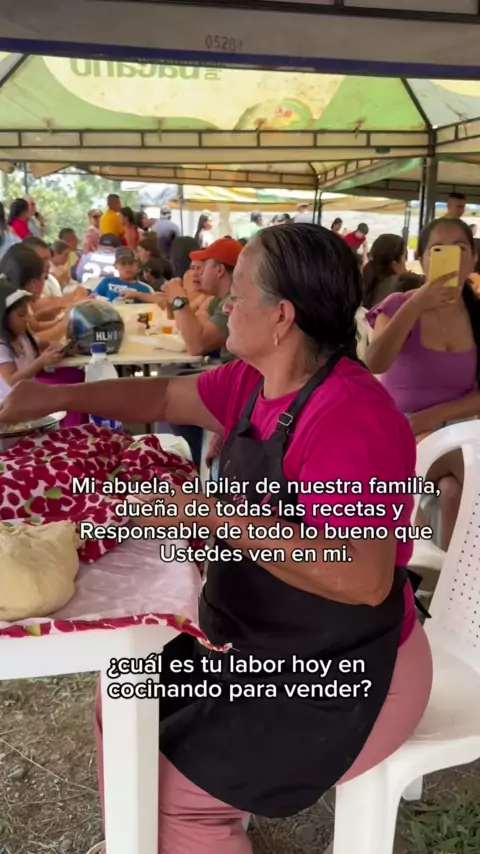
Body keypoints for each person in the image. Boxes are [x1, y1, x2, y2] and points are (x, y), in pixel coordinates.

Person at [0, 223, 432, 854]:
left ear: (281, 316)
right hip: (255, 636)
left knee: (179, 792)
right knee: (122, 699)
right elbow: (163, 393)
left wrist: (210, 515)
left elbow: (361, 577)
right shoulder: (252, 381)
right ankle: (137, 839)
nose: (226, 303)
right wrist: (49, 396)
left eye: (240, 291)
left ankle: (176, 830)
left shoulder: (351, 415)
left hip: (348, 669)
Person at [366, 218, 480, 550]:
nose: (452, 258)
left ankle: (446, 577)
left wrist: (436, 415)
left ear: (474, 258)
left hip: (457, 430)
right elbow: (375, 362)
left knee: (453, 490)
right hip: (401, 430)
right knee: (468, 468)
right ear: (422, 257)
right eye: (439, 249)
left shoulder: (476, 314)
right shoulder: (398, 305)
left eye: (461, 249)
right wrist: (416, 304)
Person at [0, 276, 62, 402]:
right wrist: (40, 362)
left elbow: (45, 344)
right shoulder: (2, 346)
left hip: (28, 396)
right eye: (21, 315)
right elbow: (12, 381)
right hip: (10, 404)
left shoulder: (23, 337)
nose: (28, 319)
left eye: (27, 313)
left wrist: (60, 348)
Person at [362, 234, 423, 310]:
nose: (406, 262)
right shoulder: (405, 285)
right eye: (404, 257)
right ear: (394, 265)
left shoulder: (365, 279)